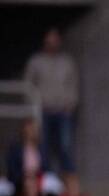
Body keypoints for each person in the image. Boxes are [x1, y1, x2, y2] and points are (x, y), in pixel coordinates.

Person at [23, 29, 78, 172]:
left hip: (63, 111)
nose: (52, 44)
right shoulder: (36, 61)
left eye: (55, 41)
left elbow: (73, 84)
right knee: (43, 146)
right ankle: (45, 178)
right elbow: (28, 85)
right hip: (43, 111)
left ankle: (68, 180)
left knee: (65, 146)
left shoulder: (67, 62)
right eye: (49, 41)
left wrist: (71, 103)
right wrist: (33, 107)